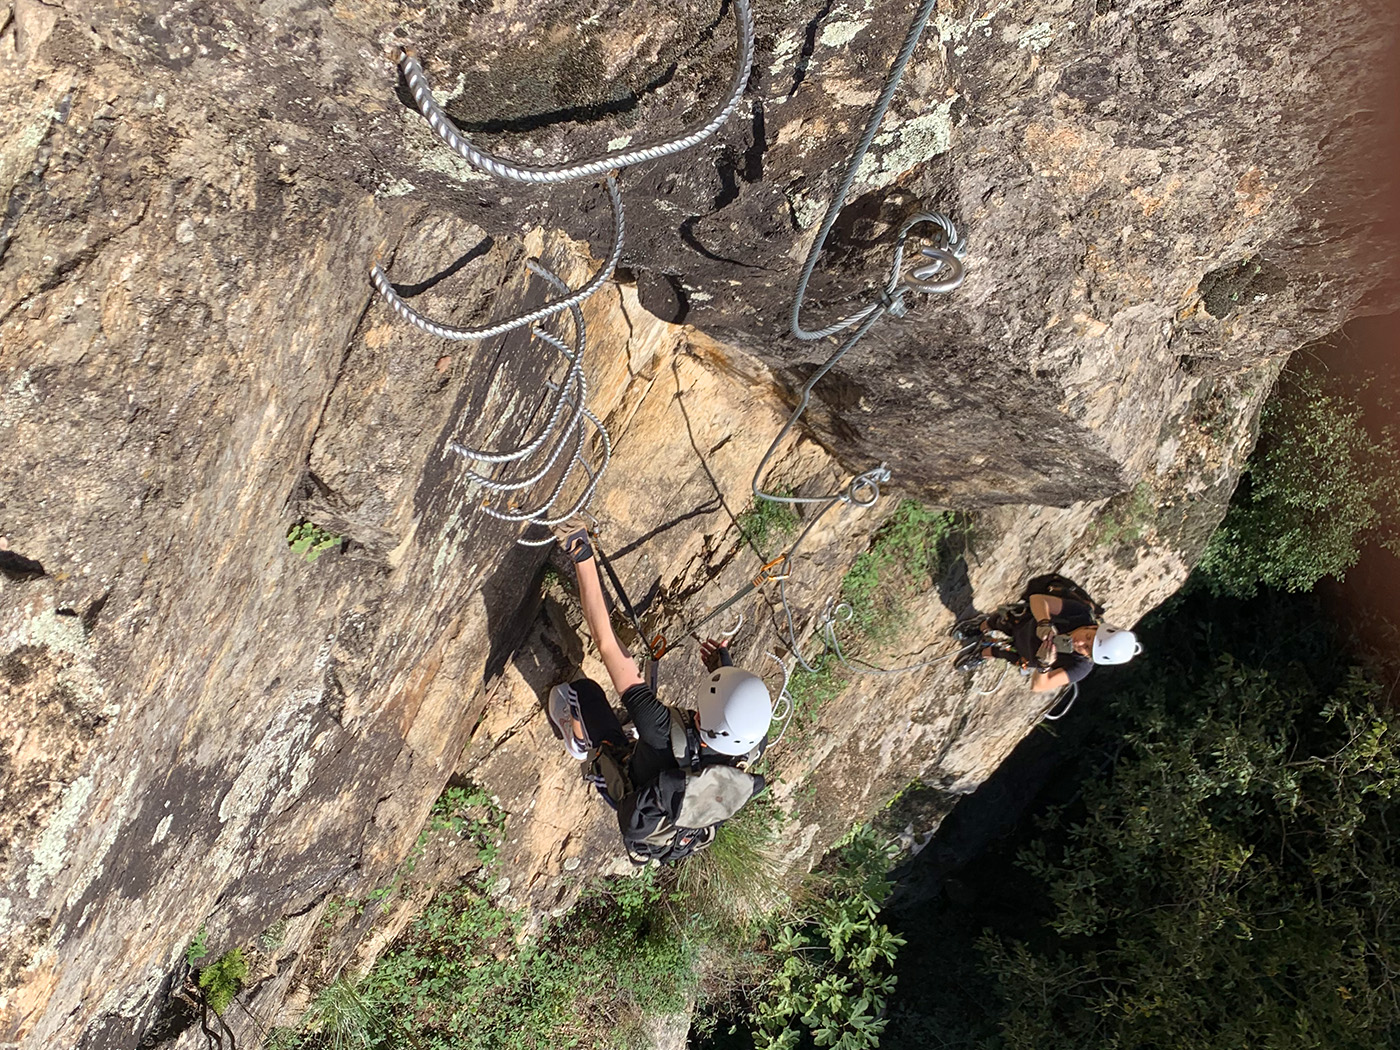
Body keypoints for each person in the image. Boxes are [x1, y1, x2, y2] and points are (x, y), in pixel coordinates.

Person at [544, 523, 772, 856]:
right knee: (643, 740)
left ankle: (581, 742)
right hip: (676, 814)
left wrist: (581, 552)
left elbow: (607, 643)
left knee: (582, 690)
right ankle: (630, 748)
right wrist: (722, 671)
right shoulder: (750, 742)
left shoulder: (660, 730)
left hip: (636, 795)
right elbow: (734, 712)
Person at [954, 587, 1140, 692]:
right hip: (1025, 624)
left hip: (1028, 653)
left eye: (1087, 649)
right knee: (999, 622)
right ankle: (981, 626)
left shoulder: (1080, 667)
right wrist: (1044, 622)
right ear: (1093, 627)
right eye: (1088, 636)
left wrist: (1044, 666)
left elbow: (1039, 686)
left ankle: (985, 651)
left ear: (1089, 657)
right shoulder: (1080, 615)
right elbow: (1038, 599)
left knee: (1004, 653)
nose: (1080, 643)